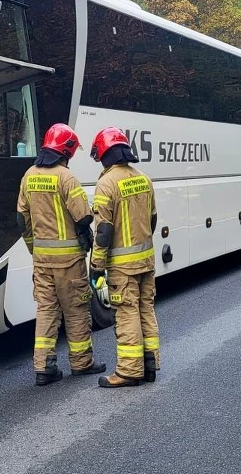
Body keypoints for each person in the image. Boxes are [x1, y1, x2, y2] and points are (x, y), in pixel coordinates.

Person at [17, 123, 107, 386]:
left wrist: (34, 247)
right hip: (69, 262)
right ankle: (82, 363)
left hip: (42, 261)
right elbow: (83, 215)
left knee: (46, 310)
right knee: (77, 310)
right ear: (66, 150)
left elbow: (22, 220)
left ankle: (44, 368)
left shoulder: (29, 176)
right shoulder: (66, 178)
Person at [88, 126, 160, 388]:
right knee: (145, 311)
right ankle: (150, 364)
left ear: (104, 154)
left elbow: (103, 231)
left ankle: (129, 371)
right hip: (146, 261)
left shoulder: (106, 183)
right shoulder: (143, 178)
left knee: (126, 314)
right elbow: (152, 219)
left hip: (122, 267)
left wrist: (96, 266)